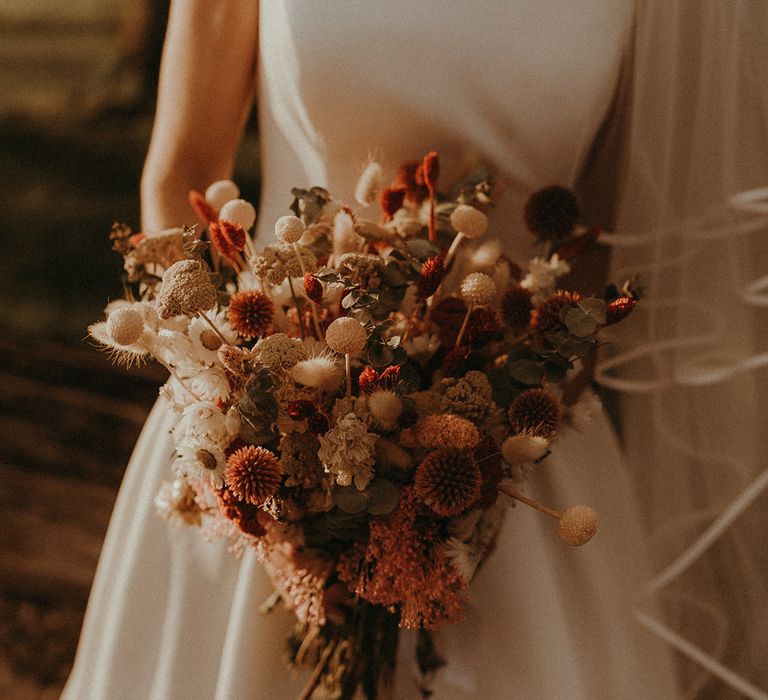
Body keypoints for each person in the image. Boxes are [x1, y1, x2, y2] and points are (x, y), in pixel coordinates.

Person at [64, 2, 768, 699]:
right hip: (264, 435)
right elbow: (179, 174)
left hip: (520, 457)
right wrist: (230, 405)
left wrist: (495, 447)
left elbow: (601, 240)